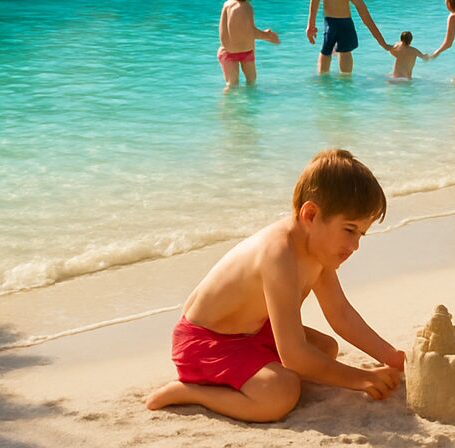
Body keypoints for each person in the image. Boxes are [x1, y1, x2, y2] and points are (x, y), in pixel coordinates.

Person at [145, 149, 405, 422]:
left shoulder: (316, 249)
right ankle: (191, 392)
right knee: (281, 393)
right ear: (311, 215)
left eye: (361, 234)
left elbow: (340, 313)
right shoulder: (278, 255)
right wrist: (361, 378)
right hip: (206, 344)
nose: (354, 246)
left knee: (325, 348)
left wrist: (393, 357)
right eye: (349, 230)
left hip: (252, 331)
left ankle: (254, 374)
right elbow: (292, 356)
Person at [218, 0, 280, 89]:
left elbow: (238, 30)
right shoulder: (246, 7)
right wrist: (268, 36)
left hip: (227, 52)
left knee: (231, 86)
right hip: (245, 53)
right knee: (251, 84)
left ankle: (226, 106)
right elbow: (251, 32)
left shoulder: (227, 5)